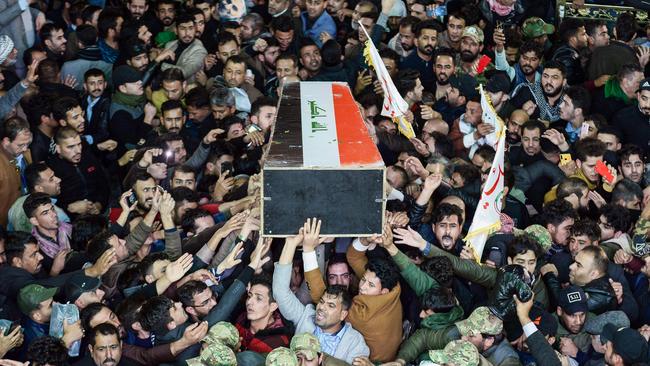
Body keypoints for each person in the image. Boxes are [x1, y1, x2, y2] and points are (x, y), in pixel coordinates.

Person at [274, 221, 370, 363]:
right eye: (322, 302)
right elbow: (280, 292)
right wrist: (290, 244)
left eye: (331, 305)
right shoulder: (305, 317)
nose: (321, 308)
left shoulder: (355, 343)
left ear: (343, 314)